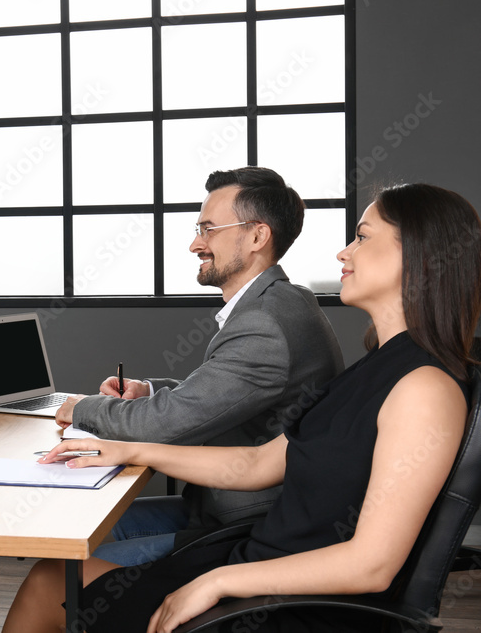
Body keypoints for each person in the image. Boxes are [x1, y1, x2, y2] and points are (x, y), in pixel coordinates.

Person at [3, 182, 481, 633]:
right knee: (55, 573)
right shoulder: (377, 367)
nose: (343, 252)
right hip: (257, 564)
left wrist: (217, 583)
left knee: (51, 585)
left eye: (362, 237)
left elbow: (372, 566)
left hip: (288, 605)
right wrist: (130, 451)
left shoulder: (424, 388)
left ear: (420, 257)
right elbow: (257, 463)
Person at [55, 167, 343, 566]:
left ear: (258, 236)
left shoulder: (265, 324)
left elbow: (164, 425)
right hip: (225, 507)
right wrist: (151, 391)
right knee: (73, 535)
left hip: (249, 526)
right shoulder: (286, 299)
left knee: (61, 569)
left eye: (209, 230)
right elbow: (227, 394)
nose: (195, 244)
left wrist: (80, 407)